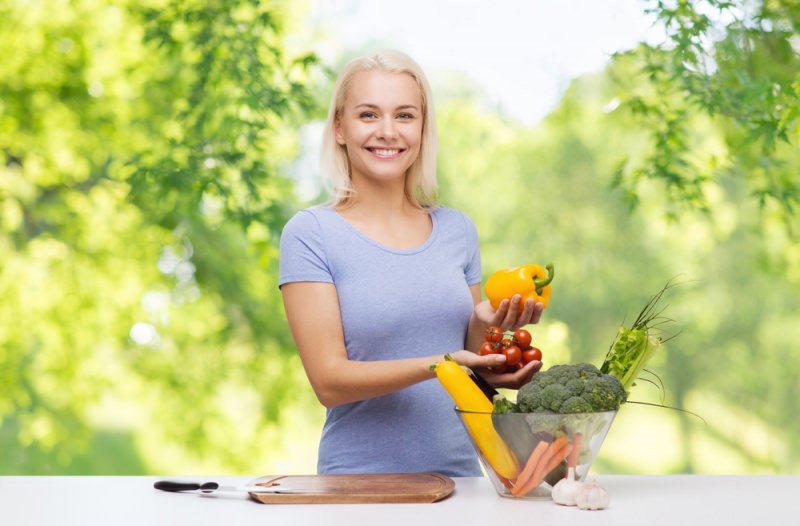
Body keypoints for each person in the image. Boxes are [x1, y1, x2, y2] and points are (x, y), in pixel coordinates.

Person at [279, 50, 544, 477]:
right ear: (340, 128)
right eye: (368, 115)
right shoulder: (311, 234)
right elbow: (328, 382)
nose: (388, 132)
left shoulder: (457, 230)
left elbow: (470, 369)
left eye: (404, 116)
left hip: (463, 480)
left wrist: (486, 325)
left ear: (423, 128)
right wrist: (439, 363)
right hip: (361, 486)